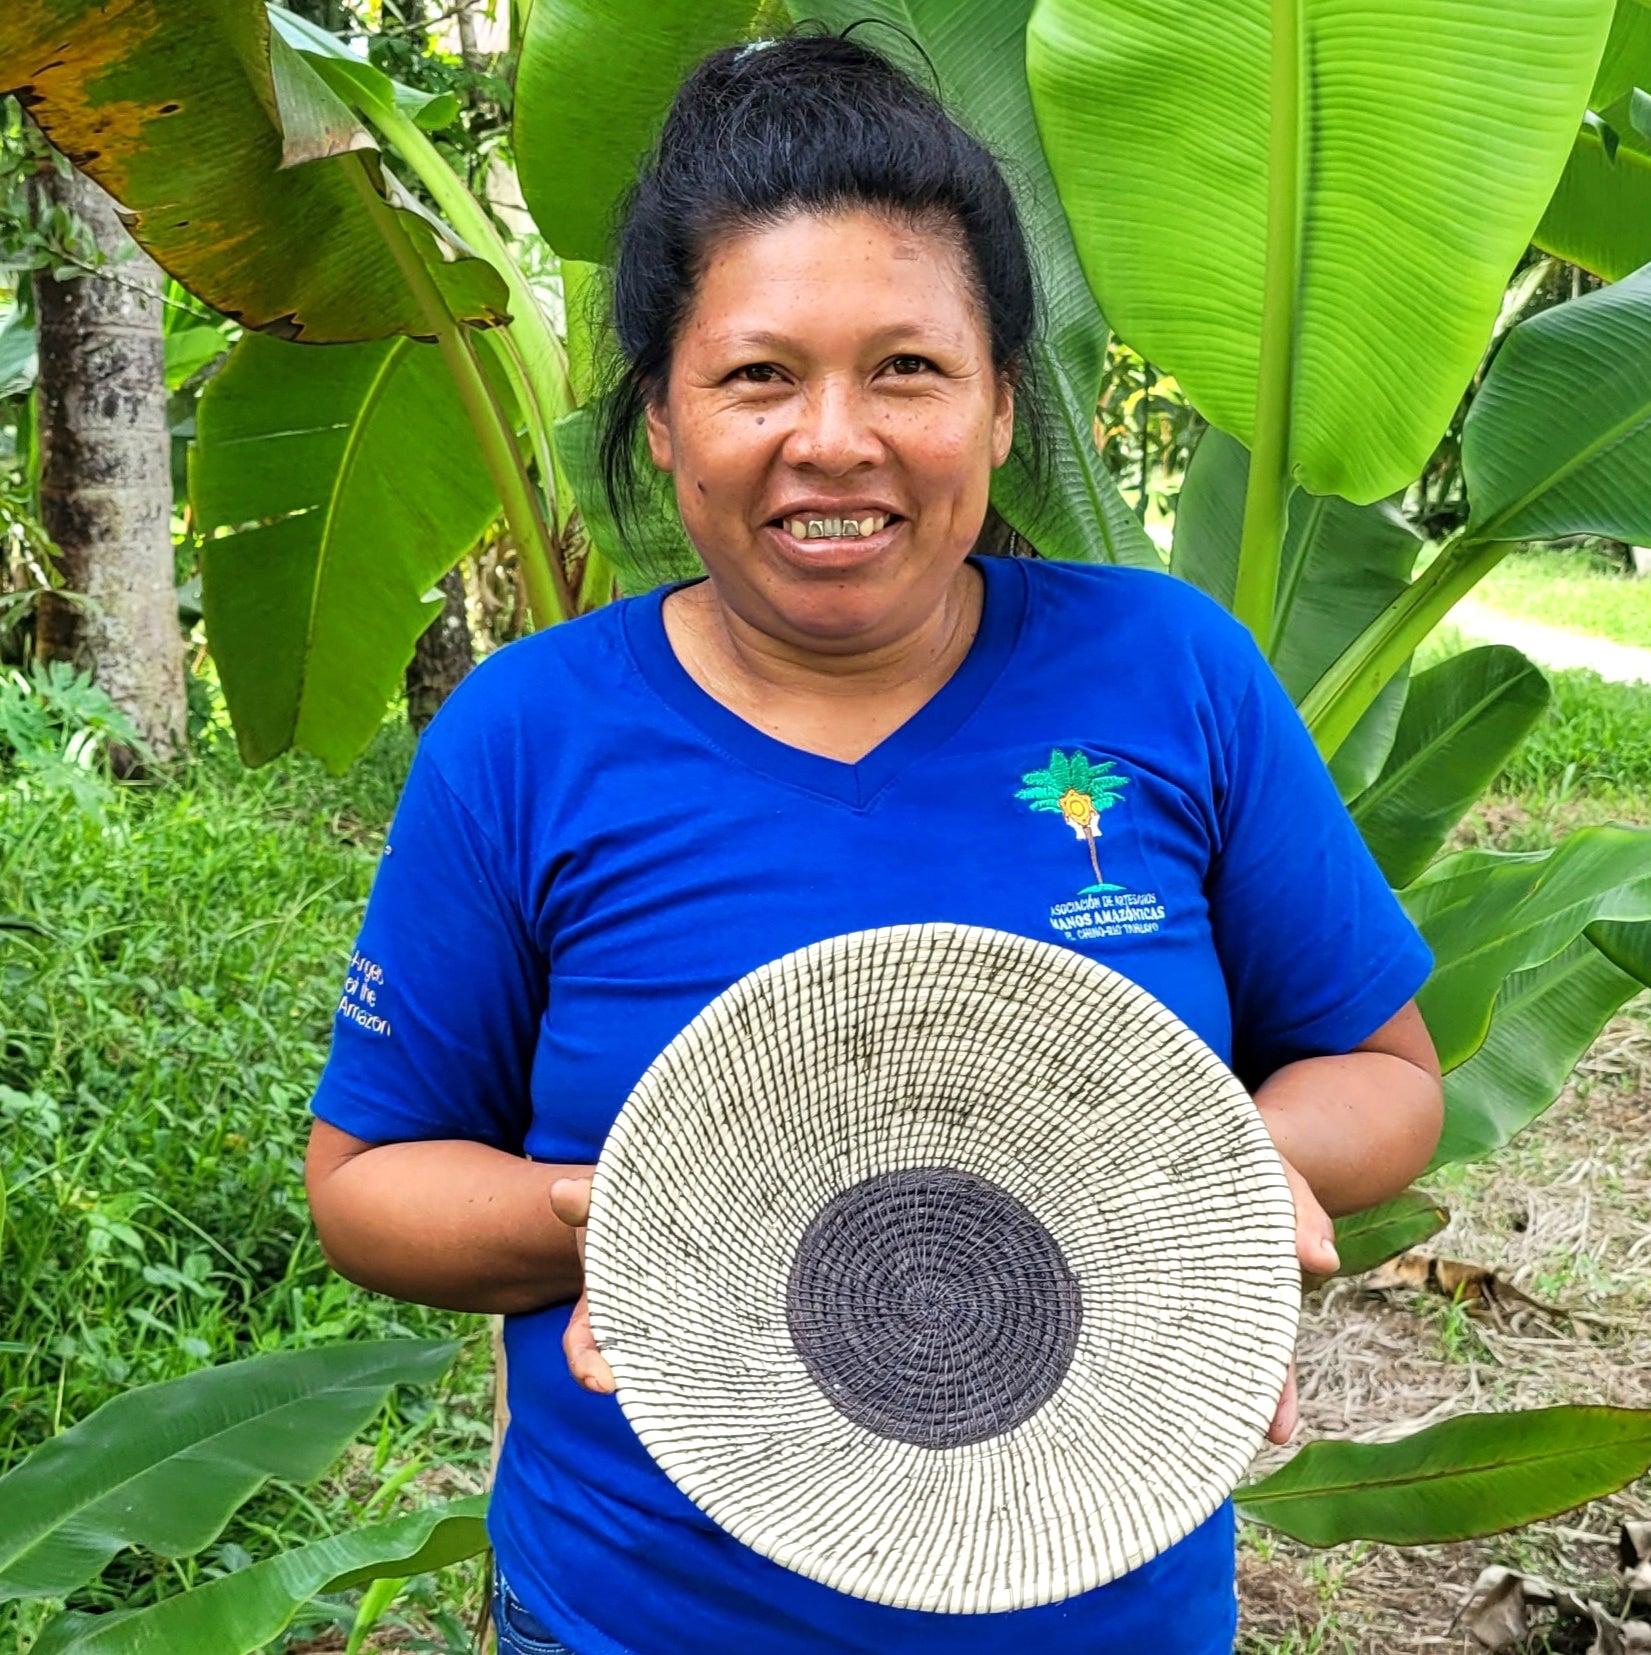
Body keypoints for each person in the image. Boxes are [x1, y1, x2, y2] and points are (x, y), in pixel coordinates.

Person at [304, 32, 1444, 1655]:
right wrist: (643, 1214)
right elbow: (369, 1186)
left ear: (999, 408)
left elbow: (1385, 1074)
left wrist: (1221, 1176)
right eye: (759, 374)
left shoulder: (1171, 676)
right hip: (639, 1615)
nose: (833, 439)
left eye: (907, 369)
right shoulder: (527, 737)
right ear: (665, 417)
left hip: (1107, 1613)